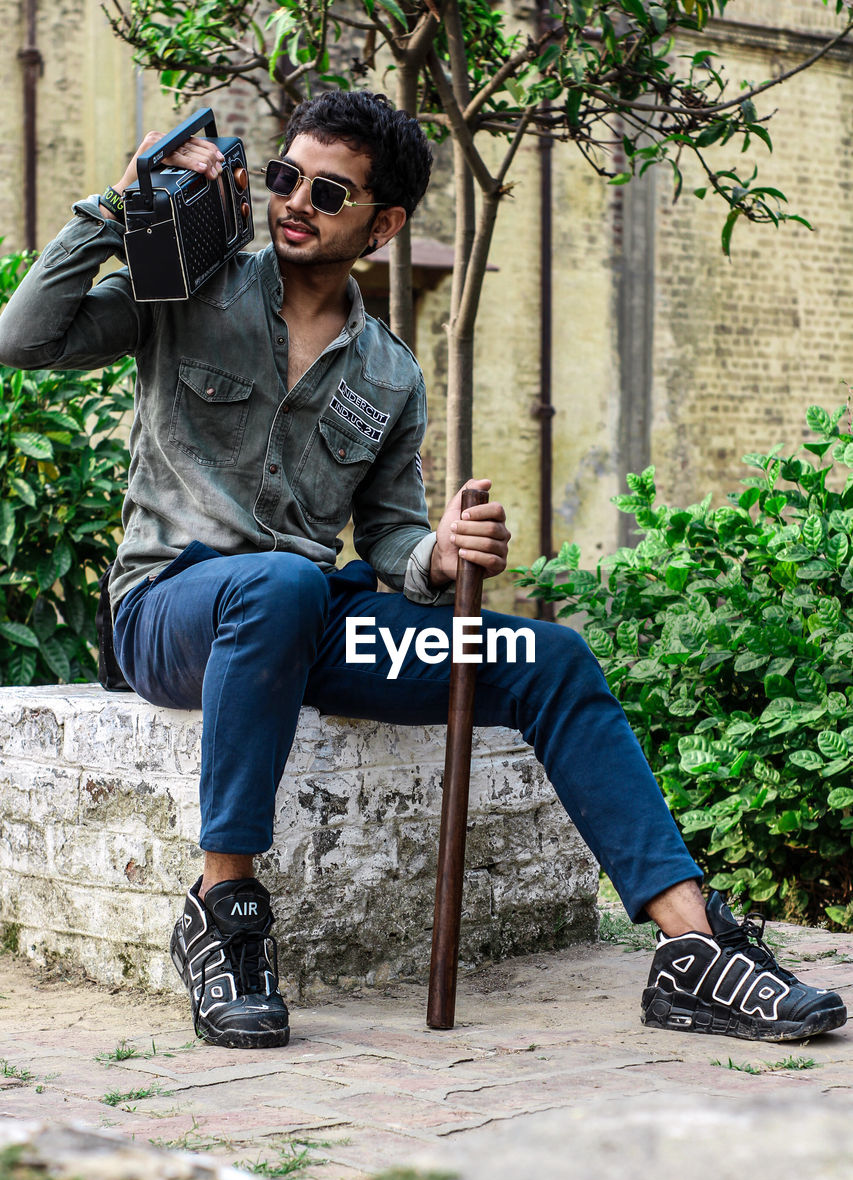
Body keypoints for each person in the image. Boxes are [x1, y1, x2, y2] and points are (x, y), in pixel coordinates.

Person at [0, 91, 845, 1050]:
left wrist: (435, 554)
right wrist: (117, 209)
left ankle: (694, 953)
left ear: (384, 222)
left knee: (550, 657)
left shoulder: (389, 375)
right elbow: (20, 340)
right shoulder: (186, 287)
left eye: (328, 192)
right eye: (284, 178)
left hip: (307, 621)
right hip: (168, 611)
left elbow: (390, 537)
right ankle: (223, 908)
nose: (294, 203)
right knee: (278, 583)